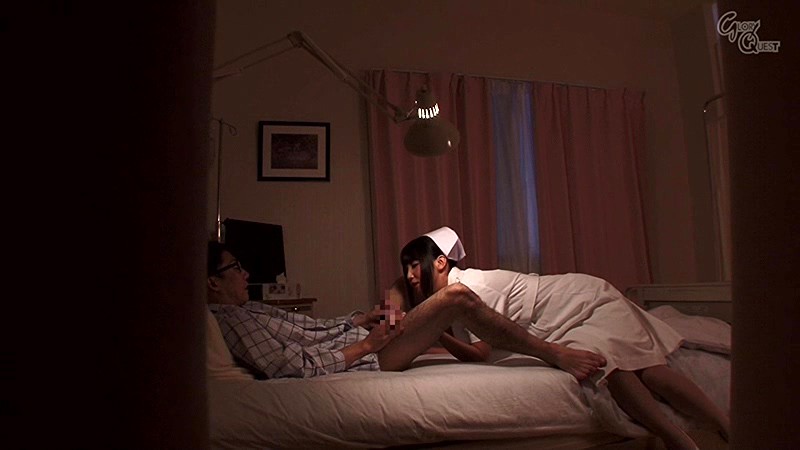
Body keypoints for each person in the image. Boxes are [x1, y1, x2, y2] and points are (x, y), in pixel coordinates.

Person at [399, 226, 730, 450]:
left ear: (440, 263)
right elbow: (475, 350)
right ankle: (677, 437)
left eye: (415, 265)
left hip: (583, 301)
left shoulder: (471, 287)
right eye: (407, 269)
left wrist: (434, 329)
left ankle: (721, 427)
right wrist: (435, 328)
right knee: (609, 366)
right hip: (560, 322)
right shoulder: (451, 298)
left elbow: (480, 351)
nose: (410, 276)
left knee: (643, 367)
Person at [206, 240, 607, 380]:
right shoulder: (231, 319)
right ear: (212, 282)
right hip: (373, 354)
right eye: (235, 268)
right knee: (456, 298)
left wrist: (359, 320)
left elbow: (312, 329)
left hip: (369, 338)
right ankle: (553, 353)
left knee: (422, 296)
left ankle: (409, 319)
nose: (245, 274)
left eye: (418, 266)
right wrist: (366, 346)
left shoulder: (252, 309)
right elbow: (292, 366)